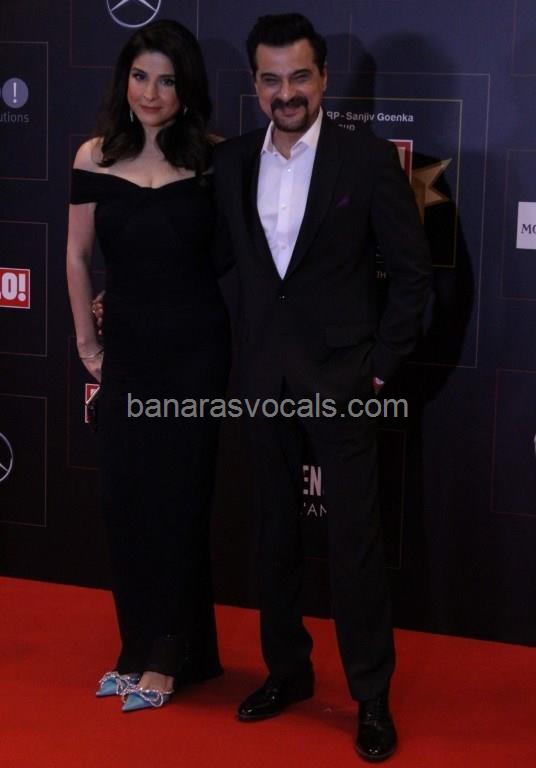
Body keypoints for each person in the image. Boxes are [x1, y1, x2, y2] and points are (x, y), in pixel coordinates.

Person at [212, 14, 431, 761]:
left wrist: (378, 368)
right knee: (274, 535)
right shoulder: (231, 162)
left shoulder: (366, 160)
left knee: (354, 546)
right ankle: (288, 672)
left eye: (299, 76)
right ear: (255, 85)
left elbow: (412, 276)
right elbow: (217, 264)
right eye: (271, 79)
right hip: (262, 377)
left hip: (342, 380)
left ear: (324, 77)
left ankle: (371, 696)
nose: (287, 93)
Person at [66, 19, 229, 712]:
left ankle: (170, 653)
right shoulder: (94, 156)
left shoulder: (216, 160)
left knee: (180, 503)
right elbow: (77, 257)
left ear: (186, 88)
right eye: (140, 77)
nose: (151, 92)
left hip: (196, 354)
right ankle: (134, 647)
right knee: (125, 503)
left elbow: (239, 258)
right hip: (126, 356)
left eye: (166, 79)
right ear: (123, 81)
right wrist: (89, 349)